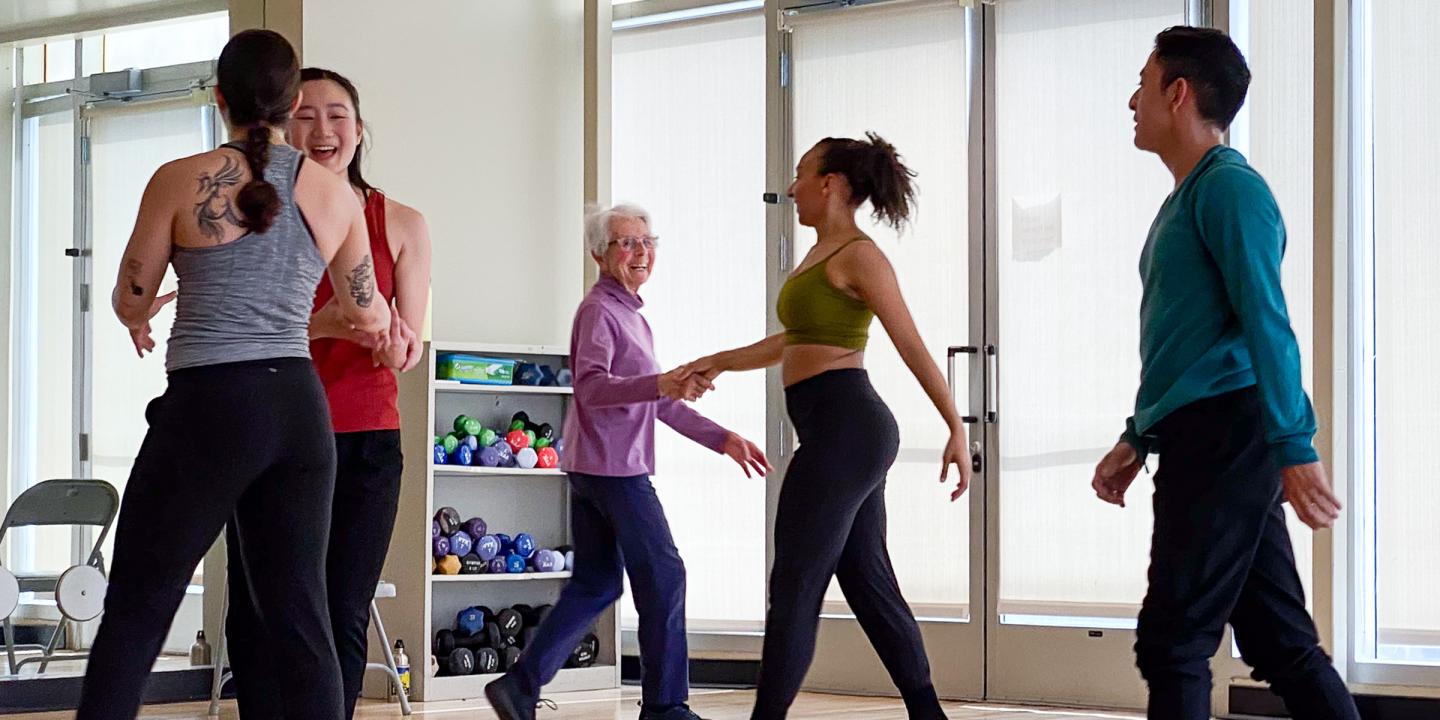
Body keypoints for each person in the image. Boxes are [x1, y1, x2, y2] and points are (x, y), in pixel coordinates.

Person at [76, 30, 390, 720]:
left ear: (218, 98)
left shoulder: (178, 179)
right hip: (297, 412)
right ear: (293, 103)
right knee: (298, 613)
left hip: (209, 406)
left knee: (139, 604)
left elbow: (131, 296)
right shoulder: (335, 194)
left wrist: (145, 308)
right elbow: (369, 314)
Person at [1090, 26, 1359, 720]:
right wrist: (1139, 434)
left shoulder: (1231, 190)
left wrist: (1294, 447)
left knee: (1174, 641)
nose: (1131, 100)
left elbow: (1266, 323)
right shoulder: (1187, 198)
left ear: (1177, 93)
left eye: (1142, 85)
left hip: (1224, 435)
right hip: (1203, 431)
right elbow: (1186, 340)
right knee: (1279, 641)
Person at [686, 133, 970, 720]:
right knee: (867, 581)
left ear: (831, 184)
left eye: (800, 175)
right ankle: (929, 715)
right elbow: (795, 340)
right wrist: (718, 361)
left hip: (849, 428)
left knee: (794, 580)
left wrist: (956, 427)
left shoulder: (862, 256)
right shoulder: (818, 257)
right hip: (834, 430)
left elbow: (910, 343)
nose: (791, 188)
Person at [484, 203, 769, 720]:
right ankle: (665, 707)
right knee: (664, 575)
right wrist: (662, 381)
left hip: (598, 468)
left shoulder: (630, 315)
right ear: (599, 253)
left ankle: (520, 685)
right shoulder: (600, 311)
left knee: (598, 582)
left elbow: (655, 401)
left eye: (647, 241)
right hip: (615, 472)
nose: (640, 251)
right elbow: (592, 389)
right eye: (626, 242)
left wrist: (721, 437)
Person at [220, 67, 432, 719]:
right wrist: (325, 325)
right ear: (284, 125)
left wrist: (394, 341)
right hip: (271, 435)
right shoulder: (253, 214)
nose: (322, 129)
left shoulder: (401, 221)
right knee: (259, 611)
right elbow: (236, 329)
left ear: (360, 131)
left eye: (337, 115)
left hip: (365, 442)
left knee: (341, 608)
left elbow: (408, 346)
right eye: (305, 115)